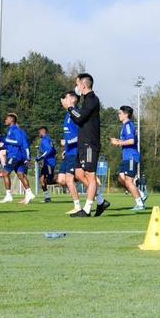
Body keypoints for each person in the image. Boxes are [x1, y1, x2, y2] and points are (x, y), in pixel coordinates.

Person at [64, 73, 108, 217]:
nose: (76, 87)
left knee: (90, 174)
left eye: (77, 84)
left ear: (83, 85)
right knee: (79, 173)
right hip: (83, 144)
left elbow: (80, 118)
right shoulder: (86, 100)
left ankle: (87, 209)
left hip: (90, 143)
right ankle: (100, 201)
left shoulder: (92, 100)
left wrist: (70, 107)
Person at [111, 105, 146, 211]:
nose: (118, 115)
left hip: (131, 156)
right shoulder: (125, 126)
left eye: (120, 113)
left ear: (126, 114)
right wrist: (118, 141)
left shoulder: (128, 125)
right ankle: (141, 194)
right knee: (121, 179)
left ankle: (140, 204)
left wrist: (119, 143)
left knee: (129, 181)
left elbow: (132, 141)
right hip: (126, 157)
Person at [0, 113, 35, 204]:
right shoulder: (11, 130)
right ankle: (29, 193)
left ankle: (8, 195)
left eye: (7, 119)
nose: (5, 120)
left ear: (11, 120)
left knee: (5, 173)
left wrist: (4, 139)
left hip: (14, 156)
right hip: (18, 156)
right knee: (21, 174)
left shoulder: (15, 130)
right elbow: (10, 143)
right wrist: (2, 141)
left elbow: (18, 142)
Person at [58, 92, 83, 214]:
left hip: (75, 152)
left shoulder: (75, 114)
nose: (63, 101)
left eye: (65, 98)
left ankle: (78, 206)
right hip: (69, 152)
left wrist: (67, 142)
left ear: (72, 100)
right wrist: (65, 149)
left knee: (70, 179)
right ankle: (98, 196)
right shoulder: (68, 114)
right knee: (62, 180)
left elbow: (81, 136)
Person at [35, 126, 57, 203]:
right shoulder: (48, 139)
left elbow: (49, 150)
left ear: (42, 131)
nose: (39, 134)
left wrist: (40, 157)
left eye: (39, 132)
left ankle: (64, 180)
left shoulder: (45, 140)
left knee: (49, 180)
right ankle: (47, 197)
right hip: (46, 162)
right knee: (41, 180)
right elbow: (53, 150)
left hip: (50, 162)